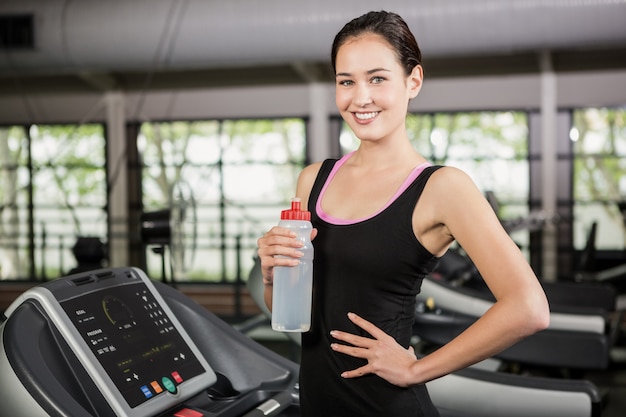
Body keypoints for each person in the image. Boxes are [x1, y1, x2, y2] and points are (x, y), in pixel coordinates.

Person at [256, 10, 550, 417]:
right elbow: (294, 316)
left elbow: (528, 308)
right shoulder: (313, 181)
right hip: (318, 405)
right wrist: (273, 275)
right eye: (346, 81)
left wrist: (417, 369)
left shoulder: (442, 187)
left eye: (377, 78)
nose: (360, 98)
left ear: (413, 81)